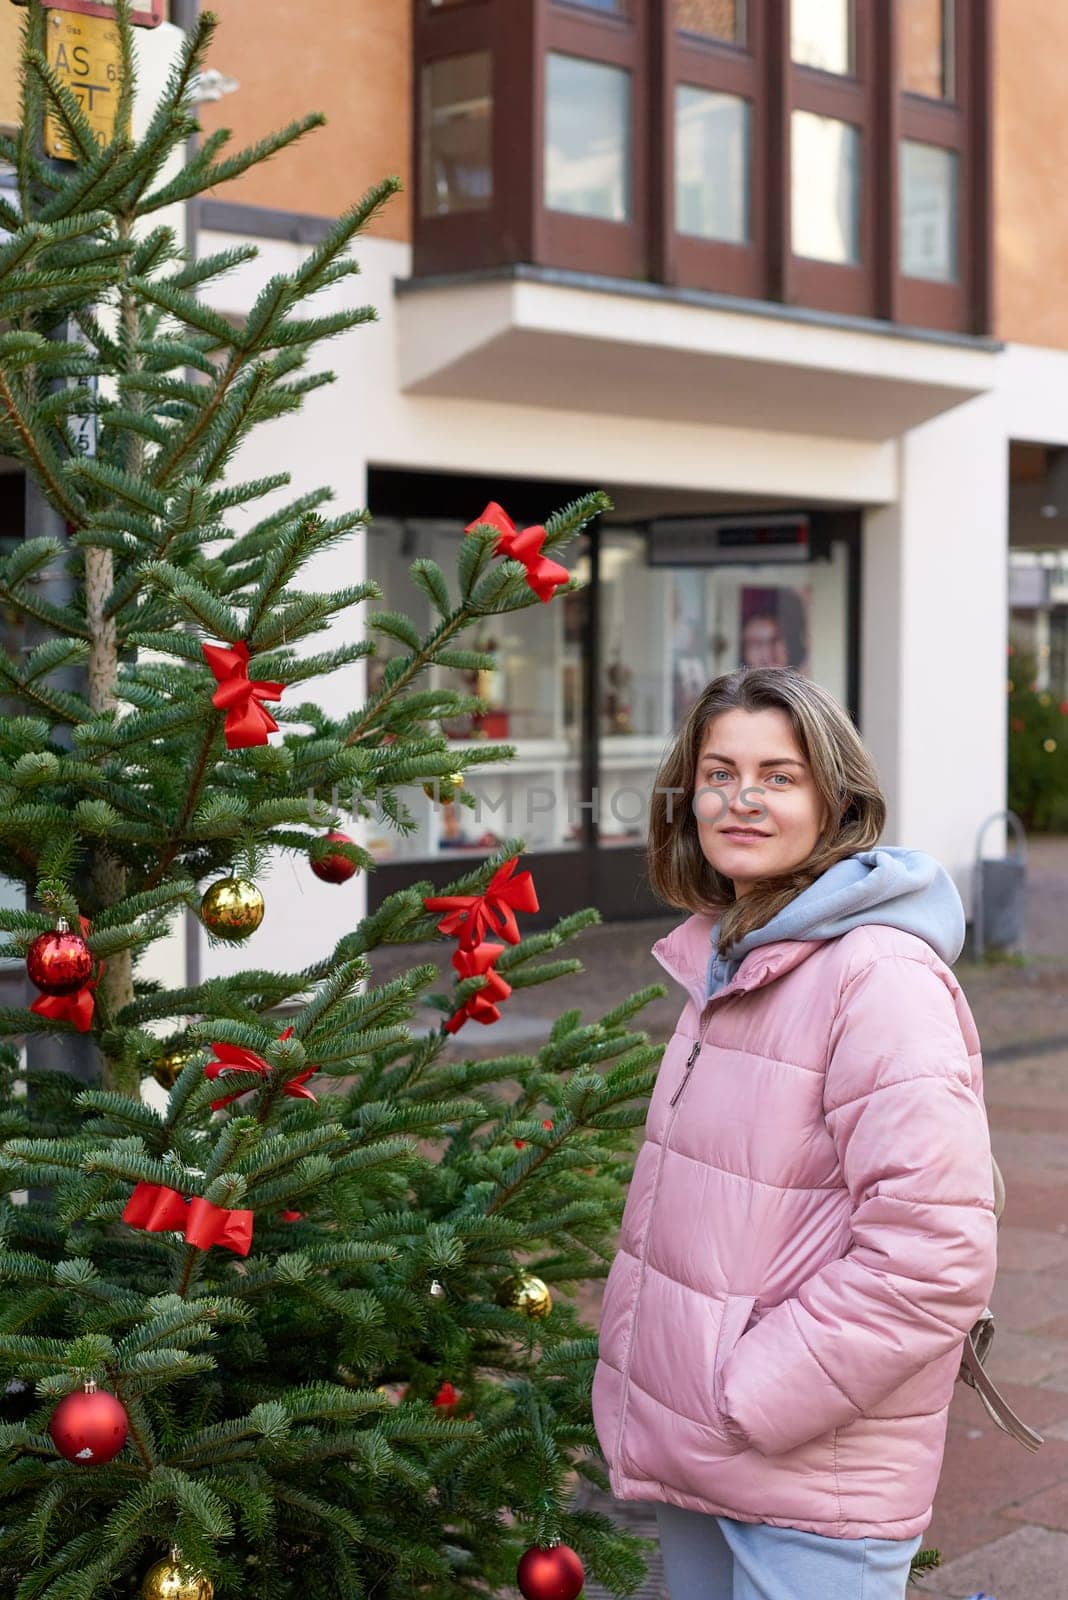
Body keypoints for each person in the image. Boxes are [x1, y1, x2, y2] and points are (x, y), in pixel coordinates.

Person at [591, 665, 998, 1600]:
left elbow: (933, 1255)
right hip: (701, 1436)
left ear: (836, 798)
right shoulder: (732, 955)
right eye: (719, 772)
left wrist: (752, 1395)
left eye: (780, 775)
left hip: (809, 1463)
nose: (743, 799)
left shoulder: (878, 977)